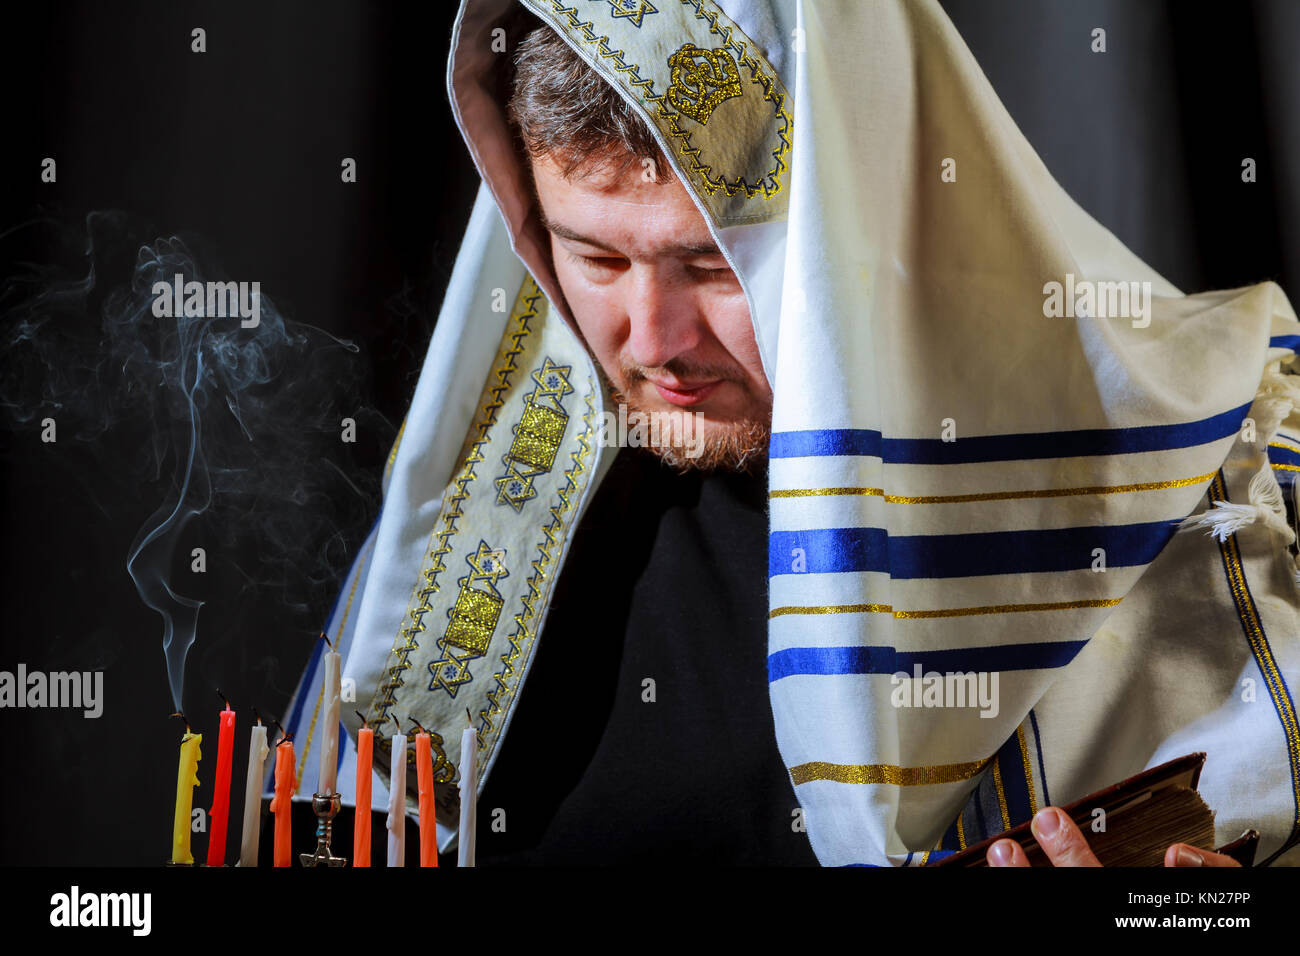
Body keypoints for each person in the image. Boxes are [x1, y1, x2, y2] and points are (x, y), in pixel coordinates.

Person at [276, 0, 1300, 867]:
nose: (654, 339)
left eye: (716, 267)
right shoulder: (461, 556)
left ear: (866, 220)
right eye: (593, 259)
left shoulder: (1219, 494)